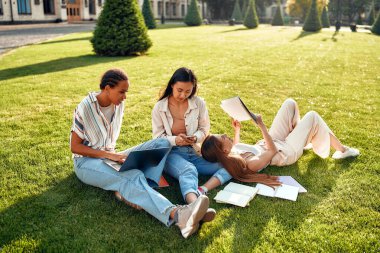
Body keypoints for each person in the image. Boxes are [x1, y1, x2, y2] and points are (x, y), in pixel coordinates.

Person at [70, 68, 212, 238]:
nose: (125, 97)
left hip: (111, 156)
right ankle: (180, 216)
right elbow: (75, 147)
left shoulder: (117, 104)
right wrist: (110, 156)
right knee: (130, 177)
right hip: (86, 162)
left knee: (161, 143)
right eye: (121, 92)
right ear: (107, 88)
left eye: (126, 92)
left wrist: (114, 155)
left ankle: (135, 189)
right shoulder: (86, 107)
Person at [201, 98, 359, 185]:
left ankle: (302, 136)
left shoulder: (232, 153)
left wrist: (237, 130)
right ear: (223, 151)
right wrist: (261, 126)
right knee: (312, 116)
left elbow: (236, 145)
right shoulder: (250, 164)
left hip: (273, 141)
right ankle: (343, 150)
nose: (223, 134)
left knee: (289, 104)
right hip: (285, 152)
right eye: (221, 138)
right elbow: (272, 152)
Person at [152, 67, 232, 213]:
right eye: (179, 90)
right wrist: (176, 140)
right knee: (188, 170)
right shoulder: (159, 107)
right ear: (172, 85)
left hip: (193, 151)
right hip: (171, 153)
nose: (183, 95)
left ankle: (202, 189)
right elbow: (157, 138)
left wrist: (195, 137)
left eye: (188, 91)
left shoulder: (199, 103)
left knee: (226, 165)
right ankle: (195, 207)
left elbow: (204, 129)